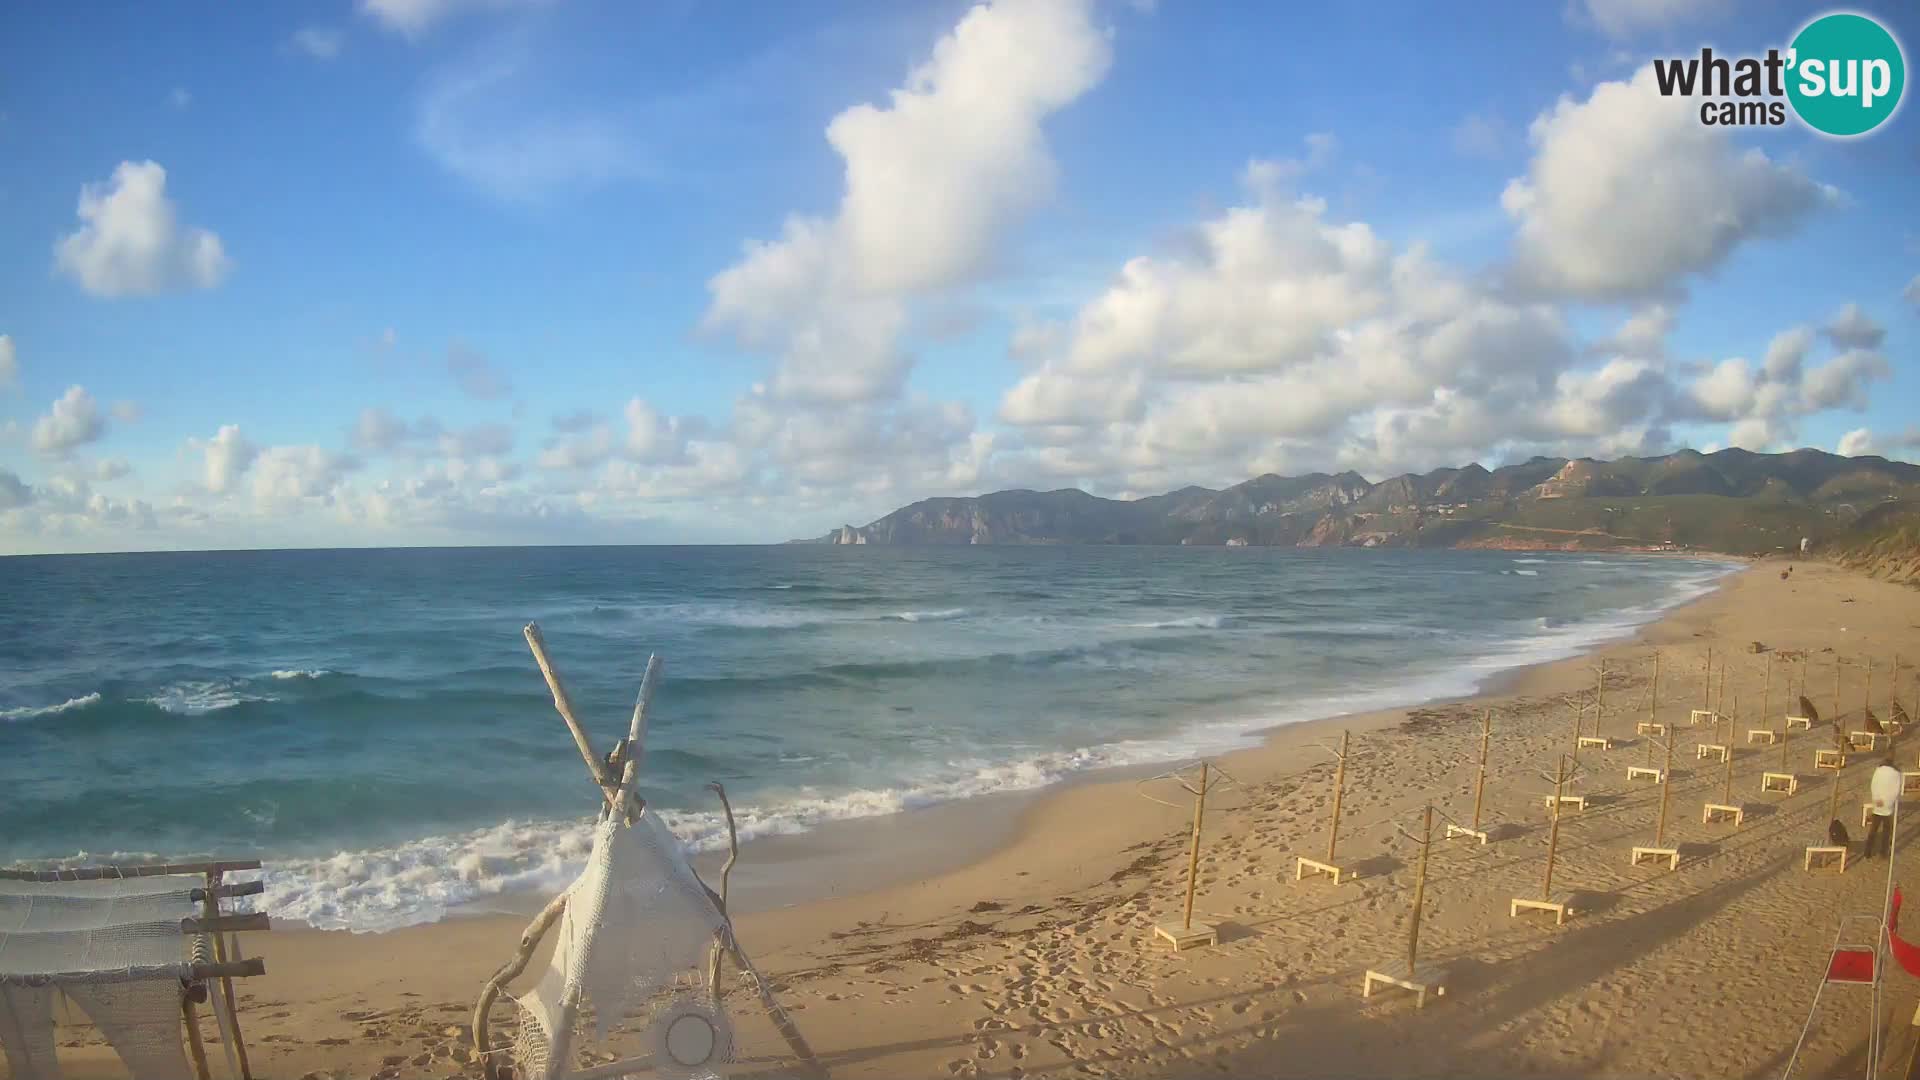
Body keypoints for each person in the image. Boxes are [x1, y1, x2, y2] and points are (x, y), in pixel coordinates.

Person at [1866, 754, 1902, 859]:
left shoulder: (1878, 771)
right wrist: (1888, 801)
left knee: (1873, 829)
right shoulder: (1896, 773)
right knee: (1886, 831)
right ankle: (1883, 852)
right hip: (1888, 805)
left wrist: (1876, 799)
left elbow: (1873, 785)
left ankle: (1868, 851)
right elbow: (1896, 790)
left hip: (1878, 804)